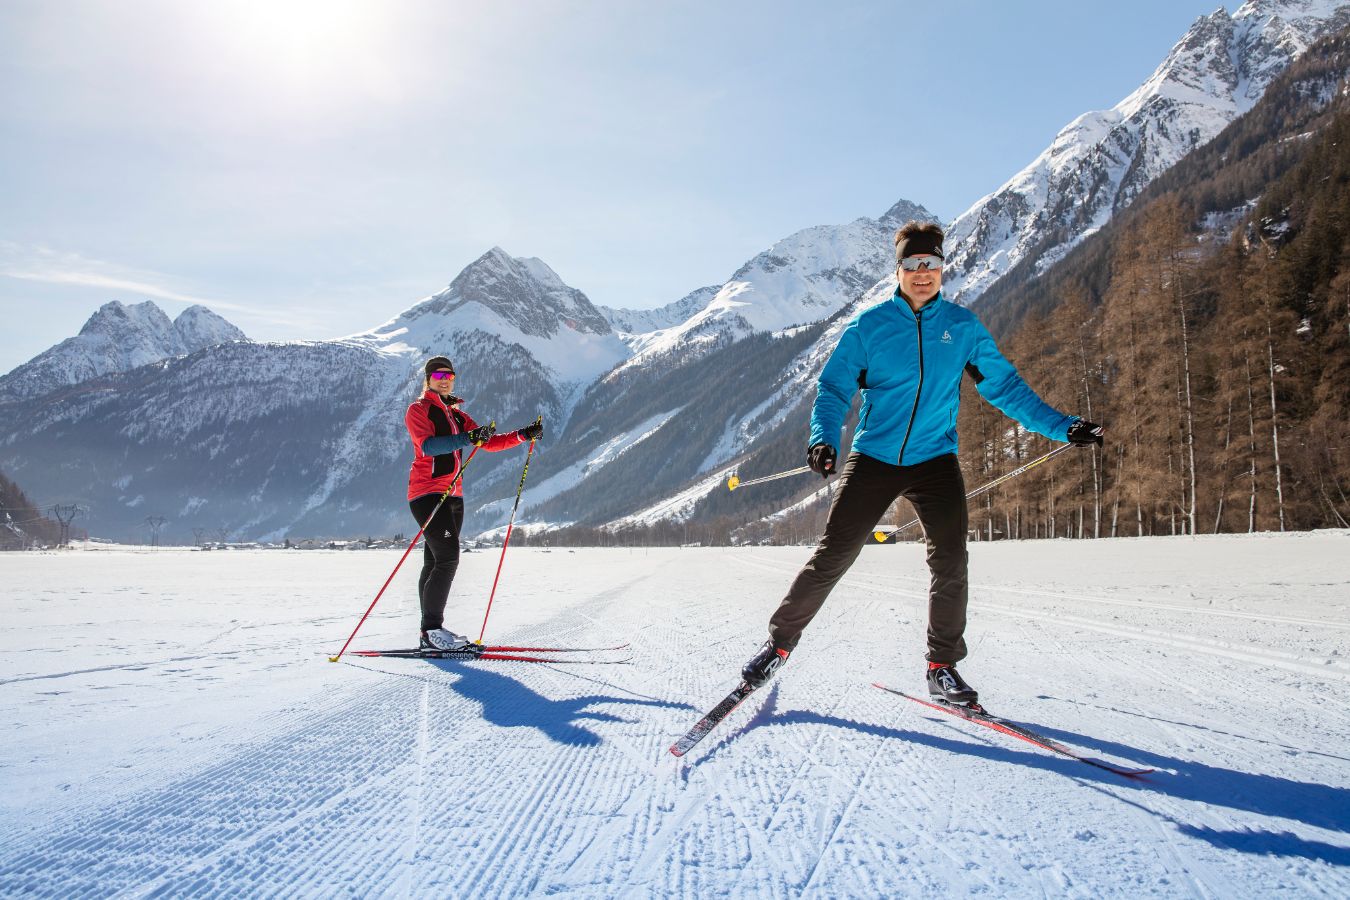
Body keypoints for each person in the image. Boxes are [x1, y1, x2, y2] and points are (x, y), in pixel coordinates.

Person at [740, 221, 1103, 704]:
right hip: (875, 458)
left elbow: (1006, 389)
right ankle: (778, 645)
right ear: (899, 269)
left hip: (935, 459)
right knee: (834, 554)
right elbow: (832, 388)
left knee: (951, 560)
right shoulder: (868, 328)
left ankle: (942, 667)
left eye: (931, 264)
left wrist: (1063, 426)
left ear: (942, 268)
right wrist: (823, 440)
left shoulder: (963, 328)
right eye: (913, 264)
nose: (922, 273)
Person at [405, 356, 544, 651]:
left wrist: (522, 435)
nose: (445, 379)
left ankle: (428, 632)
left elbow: (488, 442)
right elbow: (428, 446)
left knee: (434, 561)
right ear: (428, 379)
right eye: (439, 375)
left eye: (449, 375)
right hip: (427, 493)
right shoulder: (419, 410)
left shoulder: (457, 415)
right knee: (448, 557)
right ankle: (431, 631)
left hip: (454, 497)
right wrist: (466, 438)